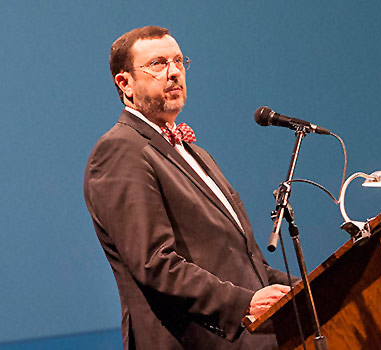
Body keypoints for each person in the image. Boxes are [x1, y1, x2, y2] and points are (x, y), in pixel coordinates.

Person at [83, 26, 293, 350]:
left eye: (179, 61)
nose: (174, 72)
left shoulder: (194, 153)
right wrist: (244, 304)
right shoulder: (120, 150)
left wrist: (313, 287)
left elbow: (245, 263)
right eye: (157, 63)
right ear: (125, 83)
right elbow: (156, 263)